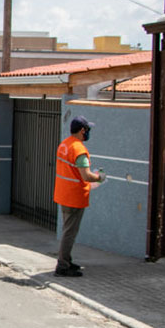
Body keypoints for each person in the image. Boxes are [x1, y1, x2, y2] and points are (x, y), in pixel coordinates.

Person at [53, 115, 105, 277]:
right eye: (87, 129)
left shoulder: (65, 145)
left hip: (63, 193)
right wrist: (99, 177)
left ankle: (66, 260)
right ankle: (62, 266)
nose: (88, 132)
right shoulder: (79, 150)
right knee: (70, 232)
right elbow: (86, 175)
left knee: (68, 229)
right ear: (82, 130)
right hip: (74, 196)